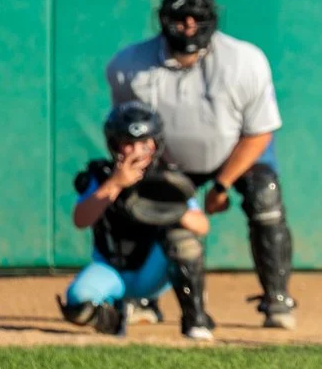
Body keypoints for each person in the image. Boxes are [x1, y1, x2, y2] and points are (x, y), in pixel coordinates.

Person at [107, 0, 297, 329]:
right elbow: (127, 132)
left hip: (235, 154)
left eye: (197, 19)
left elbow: (259, 134)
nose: (188, 28)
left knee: (264, 195)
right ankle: (143, 295)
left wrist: (222, 185)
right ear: (163, 21)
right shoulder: (129, 65)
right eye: (181, 20)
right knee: (140, 204)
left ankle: (277, 298)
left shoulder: (244, 61)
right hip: (168, 159)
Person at [59, 102, 214, 340]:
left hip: (151, 272)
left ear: (156, 143)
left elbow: (202, 226)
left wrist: (172, 212)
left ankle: (196, 320)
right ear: (115, 145)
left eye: (144, 143)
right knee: (77, 305)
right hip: (111, 269)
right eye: (128, 144)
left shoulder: (167, 180)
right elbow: (80, 219)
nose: (137, 151)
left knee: (183, 240)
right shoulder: (100, 176)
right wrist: (115, 184)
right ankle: (113, 319)